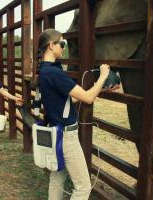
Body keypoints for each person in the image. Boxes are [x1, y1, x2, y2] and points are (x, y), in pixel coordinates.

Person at [38, 28, 110, 200]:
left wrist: (94, 89)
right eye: (61, 44)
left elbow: (70, 100)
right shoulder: (55, 73)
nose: (64, 47)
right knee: (83, 187)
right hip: (66, 136)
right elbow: (88, 98)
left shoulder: (44, 70)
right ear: (51, 45)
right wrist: (103, 77)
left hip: (55, 132)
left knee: (57, 178)